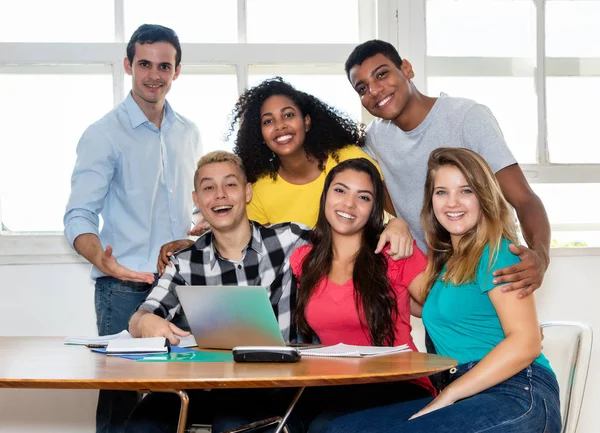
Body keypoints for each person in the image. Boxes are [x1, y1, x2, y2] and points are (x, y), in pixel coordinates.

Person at [319, 148, 561, 433]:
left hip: (516, 391)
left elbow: (526, 342)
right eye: (441, 192)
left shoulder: (498, 252)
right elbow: (404, 300)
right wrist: (392, 227)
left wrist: (449, 394)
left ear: (484, 197)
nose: (452, 202)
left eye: (466, 191)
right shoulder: (449, 267)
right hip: (468, 392)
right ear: (431, 201)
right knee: (339, 430)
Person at [63, 24, 201, 433]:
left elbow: (188, 213)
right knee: (121, 400)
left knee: (176, 400)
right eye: (144, 63)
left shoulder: (188, 133)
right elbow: (78, 215)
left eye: (164, 65)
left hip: (181, 284)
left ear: (177, 71)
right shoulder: (103, 134)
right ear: (128, 65)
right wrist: (104, 264)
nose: (154, 74)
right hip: (123, 288)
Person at [345, 39, 550, 297]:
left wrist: (540, 257)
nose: (374, 90)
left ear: (406, 69)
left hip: (490, 274)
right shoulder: (375, 139)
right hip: (437, 286)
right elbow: (382, 204)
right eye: (362, 88)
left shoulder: (466, 116)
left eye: (382, 74)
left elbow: (523, 198)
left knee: (515, 337)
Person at [125, 151, 311, 433]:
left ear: (247, 192)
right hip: (209, 385)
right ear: (197, 200)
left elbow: (349, 237)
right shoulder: (185, 263)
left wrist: (394, 224)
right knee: (144, 421)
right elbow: (140, 318)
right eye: (209, 188)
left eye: (230, 185)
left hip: (275, 384)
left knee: (234, 424)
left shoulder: (289, 239)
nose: (220, 195)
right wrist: (145, 322)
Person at [157, 78, 413, 275]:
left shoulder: (347, 159)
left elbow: (387, 211)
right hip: (300, 293)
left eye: (288, 115)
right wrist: (192, 246)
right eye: (268, 121)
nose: (279, 126)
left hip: (361, 278)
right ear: (260, 133)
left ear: (307, 121)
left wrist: (398, 224)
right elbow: (238, 239)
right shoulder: (259, 188)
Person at [289, 158, 436, 432]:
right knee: (279, 421)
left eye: (363, 197)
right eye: (340, 190)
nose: (348, 204)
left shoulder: (394, 252)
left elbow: (441, 306)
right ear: (325, 196)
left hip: (398, 382)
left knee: (324, 427)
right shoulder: (303, 260)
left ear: (374, 209)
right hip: (336, 384)